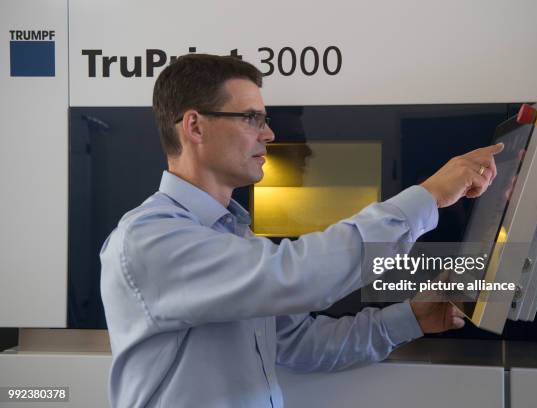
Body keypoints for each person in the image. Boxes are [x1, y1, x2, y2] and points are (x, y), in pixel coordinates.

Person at [100, 53, 504, 408]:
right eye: (250, 118)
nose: (269, 134)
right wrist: (428, 196)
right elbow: (297, 275)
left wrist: (411, 318)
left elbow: (300, 343)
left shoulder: (235, 239)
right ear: (195, 127)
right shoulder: (149, 240)